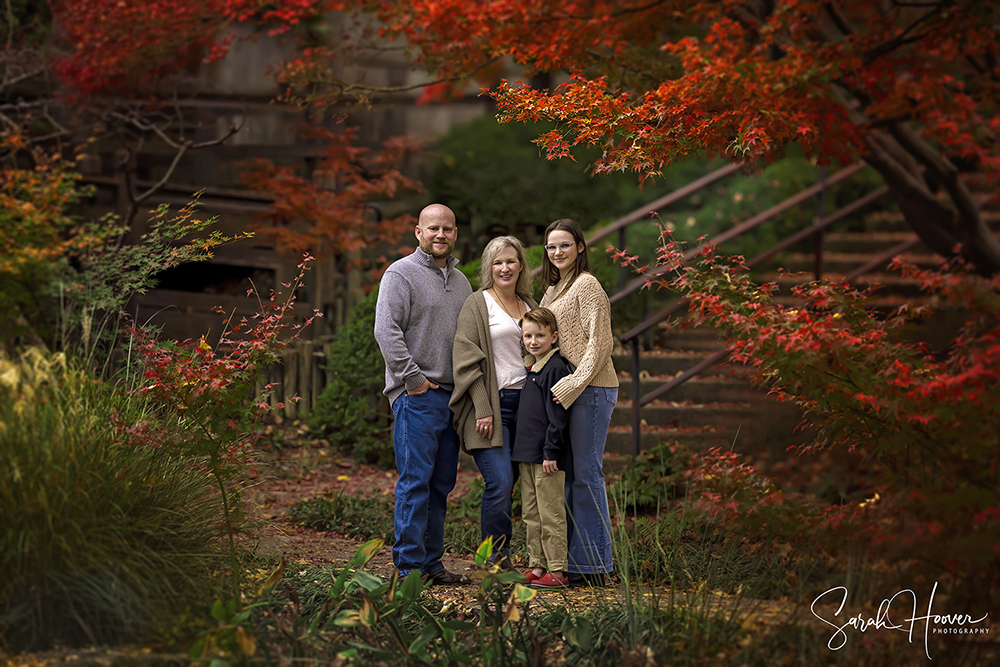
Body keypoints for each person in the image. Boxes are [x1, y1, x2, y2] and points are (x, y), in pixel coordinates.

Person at [373, 203, 473, 585]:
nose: (440, 235)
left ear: (456, 233)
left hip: (452, 397)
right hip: (417, 395)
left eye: (447, 229)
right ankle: (409, 566)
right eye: (433, 228)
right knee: (415, 480)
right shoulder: (400, 273)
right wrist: (412, 380)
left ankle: (432, 563)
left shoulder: (462, 283)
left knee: (441, 484)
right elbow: (387, 331)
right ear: (418, 231)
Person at [538, 218, 619, 586]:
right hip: (569, 390)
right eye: (552, 247)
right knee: (571, 478)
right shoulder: (553, 290)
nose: (557, 252)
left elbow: (600, 344)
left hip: (592, 389)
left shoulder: (588, 286)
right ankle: (576, 562)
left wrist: (573, 384)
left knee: (587, 475)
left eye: (565, 245)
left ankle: (597, 566)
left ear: (580, 247)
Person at [450, 236, 536, 562]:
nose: (505, 268)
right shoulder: (477, 303)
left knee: (517, 485)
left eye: (511, 261)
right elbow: (465, 358)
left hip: (527, 408)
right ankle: (494, 561)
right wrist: (482, 408)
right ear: (489, 267)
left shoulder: (530, 305)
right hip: (491, 408)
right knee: (499, 484)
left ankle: (526, 558)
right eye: (498, 262)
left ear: (520, 265)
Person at [511, 308, 572, 589]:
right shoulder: (530, 369)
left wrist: (551, 451)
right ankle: (537, 565)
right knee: (530, 514)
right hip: (526, 454)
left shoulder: (555, 368)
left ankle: (557, 570)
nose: (533, 341)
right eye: (528, 335)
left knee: (550, 514)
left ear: (553, 337)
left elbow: (557, 417)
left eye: (540, 335)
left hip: (546, 457)